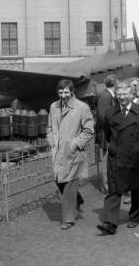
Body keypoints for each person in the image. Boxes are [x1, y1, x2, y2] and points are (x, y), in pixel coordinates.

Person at [97, 82, 139, 235]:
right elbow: (109, 135)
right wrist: (115, 148)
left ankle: (135, 217)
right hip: (116, 157)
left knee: (137, 189)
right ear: (116, 95)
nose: (122, 97)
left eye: (125, 94)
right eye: (119, 94)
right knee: (114, 189)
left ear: (132, 95)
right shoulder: (110, 113)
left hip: (136, 157)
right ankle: (110, 223)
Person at [46, 79, 94, 230]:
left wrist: (75, 144)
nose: (63, 95)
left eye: (66, 92)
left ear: (72, 92)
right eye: (60, 92)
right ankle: (77, 200)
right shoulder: (53, 106)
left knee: (68, 185)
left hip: (73, 153)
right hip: (57, 152)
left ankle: (68, 219)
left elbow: (89, 131)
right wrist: (51, 140)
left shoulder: (82, 107)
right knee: (59, 180)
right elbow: (49, 126)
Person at [96, 74, 117, 194]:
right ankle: (106, 186)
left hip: (108, 132)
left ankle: (109, 183)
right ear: (115, 84)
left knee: (109, 159)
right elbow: (103, 116)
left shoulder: (108, 95)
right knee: (106, 160)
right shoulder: (106, 96)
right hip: (106, 133)